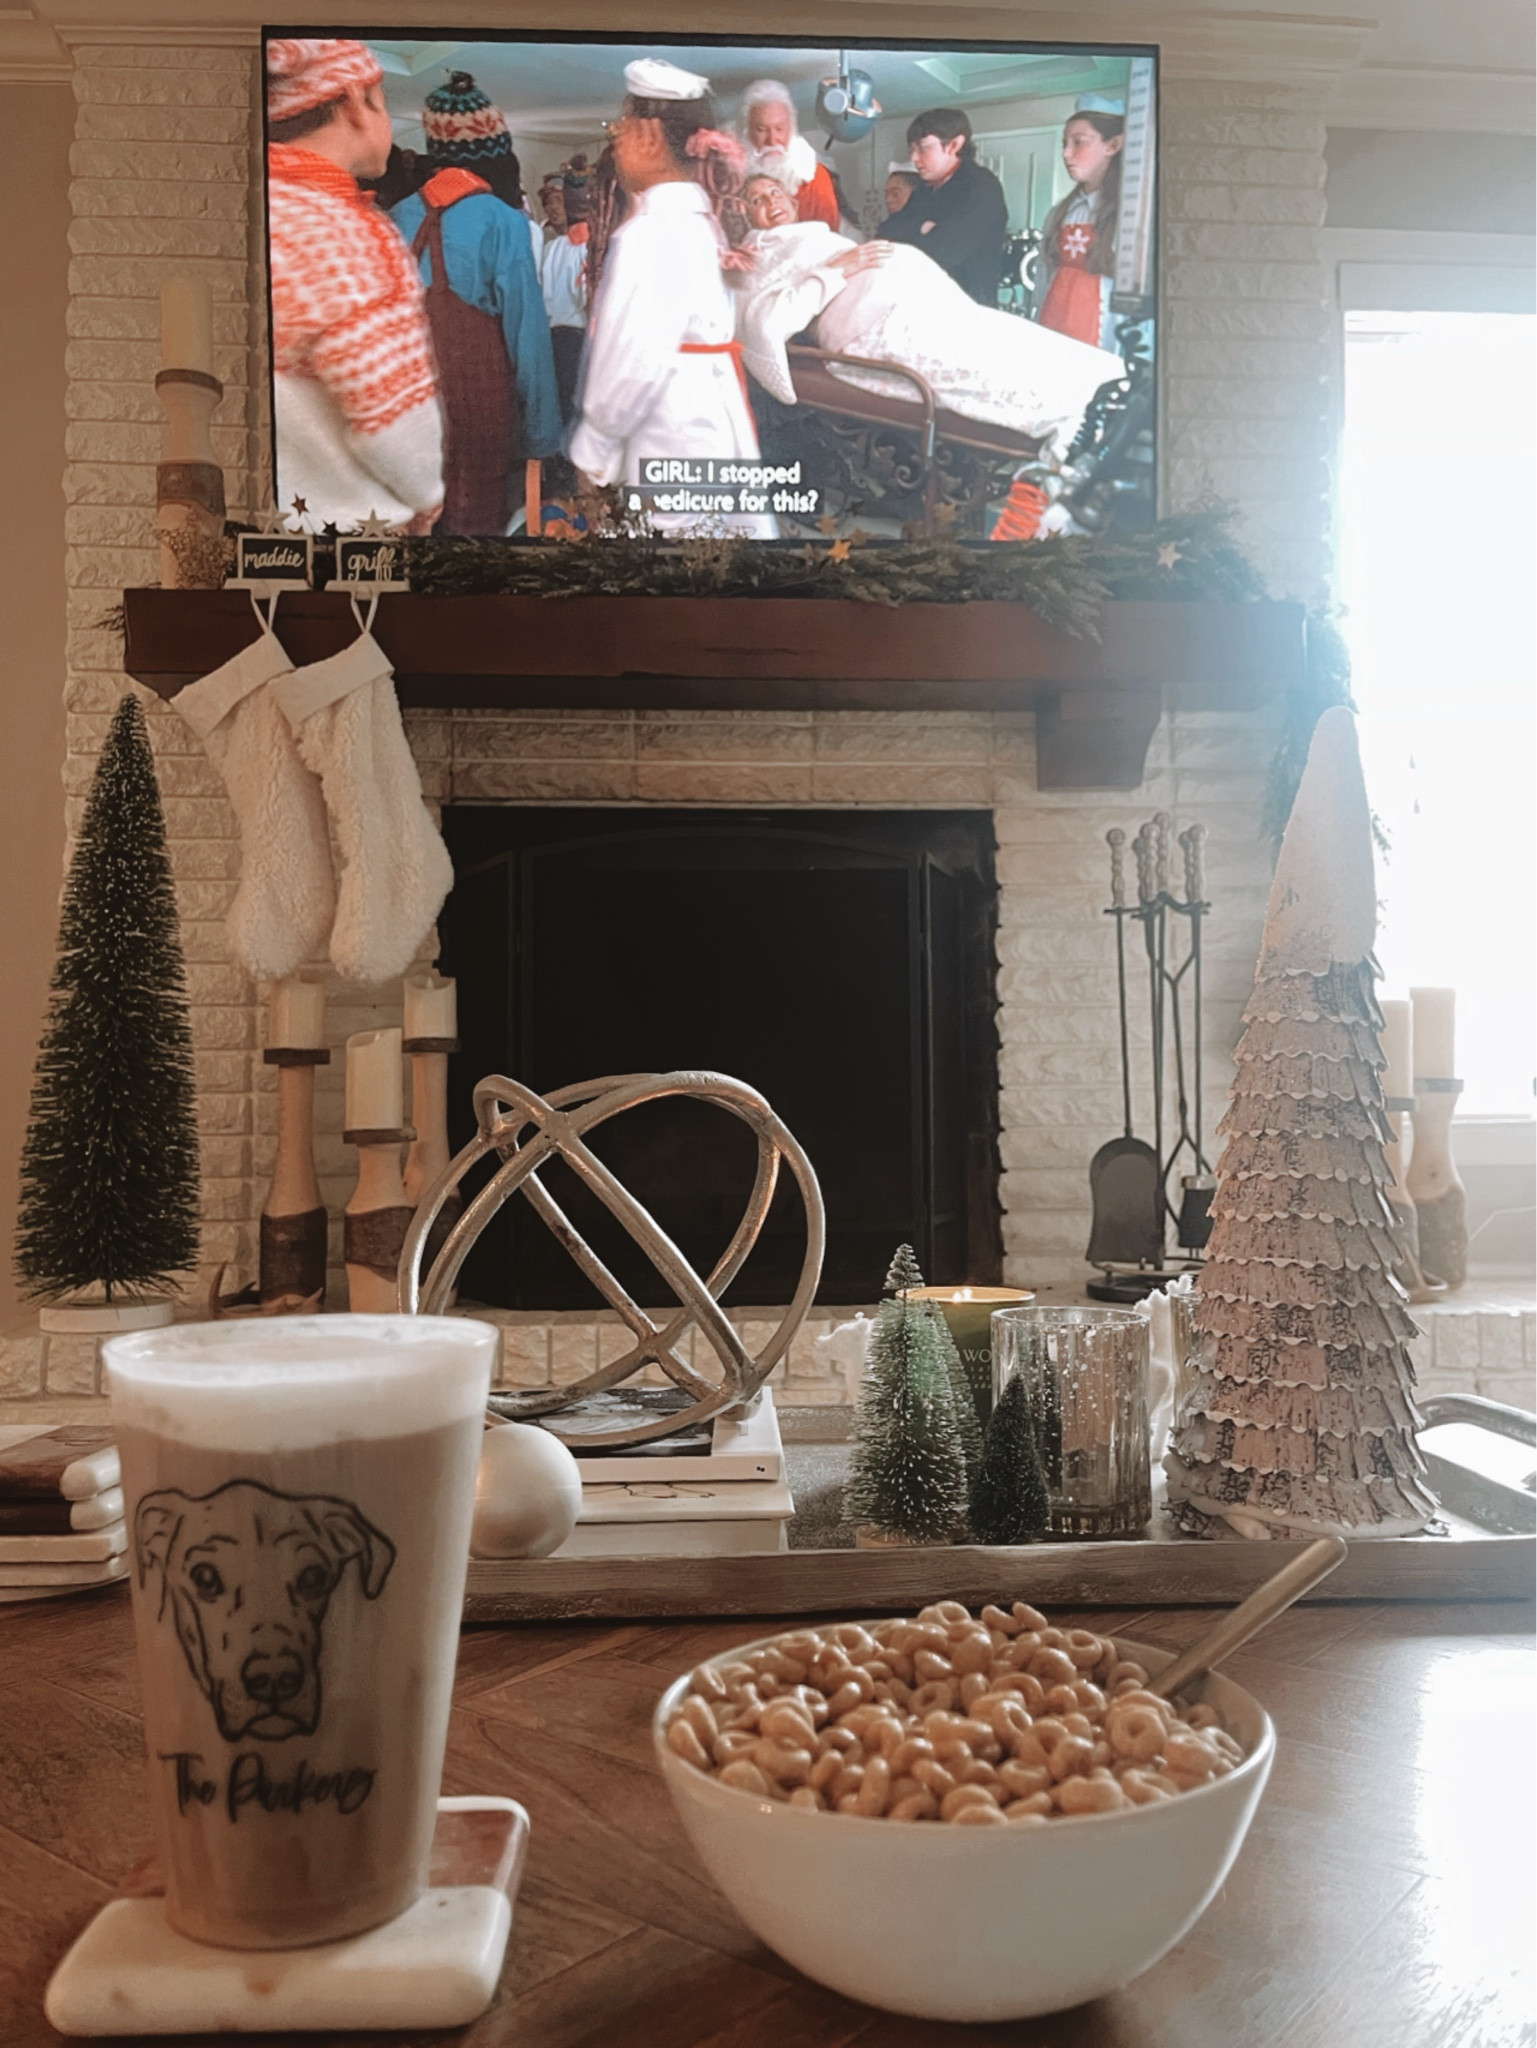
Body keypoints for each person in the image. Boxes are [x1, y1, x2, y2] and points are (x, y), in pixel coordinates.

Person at [733, 174, 1122, 465]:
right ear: (745, 213)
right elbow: (768, 324)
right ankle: (1078, 415)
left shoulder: (815, 235)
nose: (770, 201)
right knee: (988, 362)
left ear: (791, 199)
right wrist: (835, 270)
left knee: (1007, 337)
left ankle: (1110, 382)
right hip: (873, 324)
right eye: (757, 200)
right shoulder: (756, 261)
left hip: (923, 300)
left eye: (774, 193)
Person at [571, 58, 775, 537]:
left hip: (672, 427)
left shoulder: (655, 232)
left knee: (671, 561)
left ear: (649, 135)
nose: (616, 142)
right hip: (704, 415)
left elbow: (629, 360)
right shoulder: (697, 218)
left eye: (619, 129)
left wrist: (593, 452)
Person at [266, 38, 443, 531]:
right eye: (382, 100)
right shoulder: (347, 232)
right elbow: (394, 426)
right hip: (353, 541)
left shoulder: (263, 207)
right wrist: (429, 499)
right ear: (354, 105)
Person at [389, 72, 561, 535]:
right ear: (495, 151)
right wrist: (542, 437)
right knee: (473, 538)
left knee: (409, 531)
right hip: (477, 409)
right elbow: (527, 335)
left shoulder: (395, 217)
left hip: (402, 406)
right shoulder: (501, 220)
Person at [882, 107, 1006, 306]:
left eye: (923, 148)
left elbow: (945, 252)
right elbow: (885, 233)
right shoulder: (926, 189)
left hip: (967, 309)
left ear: (955, 144)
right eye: (912, 149)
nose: (914, 158)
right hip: (924, 304)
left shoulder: (981, 186)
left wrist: (910, 234)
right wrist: (922, 227)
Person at [1036, 97, 1125, 351]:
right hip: (1054, 318)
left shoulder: (1128, 215)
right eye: (1065, 144)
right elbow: (1043, 278)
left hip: (1101, 327)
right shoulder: (1059, 214)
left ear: (1113, 145)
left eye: (1079, 143)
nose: (1066, 153)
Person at [737, 78, 839, 229]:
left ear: (792, 129)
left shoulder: (815, 178)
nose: (772, 141)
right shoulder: (731, 180)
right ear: (747, 132)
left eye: (779, 129)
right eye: (761, 129)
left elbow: (830, 238)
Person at [538, 159, 592, 423]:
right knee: (576, 408)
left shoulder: (553, 247)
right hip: (576, 338)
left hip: (552, 336)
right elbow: (585, 299)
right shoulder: (588, 249)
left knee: (559, 406)